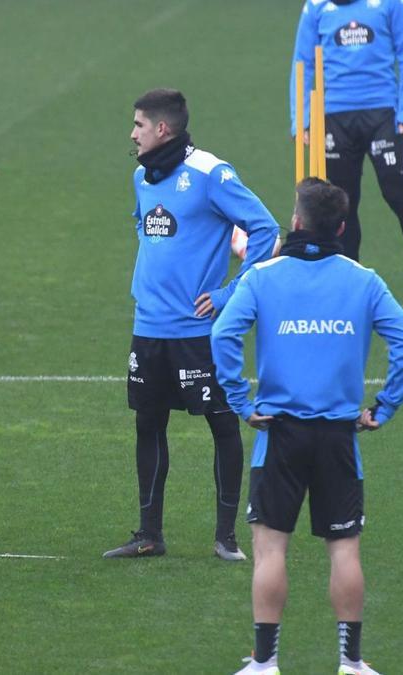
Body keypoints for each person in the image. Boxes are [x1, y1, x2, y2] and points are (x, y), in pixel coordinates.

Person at [212, 178, 403, 675]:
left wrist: (241, 401)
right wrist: (383, 407)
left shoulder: (262, 277)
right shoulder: (364, 280)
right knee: (344, 549)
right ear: (342, 228)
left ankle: (264, 663)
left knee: (269, 549)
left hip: (278, 434)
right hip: (340, 437)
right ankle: (351, 662)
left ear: (297, 221)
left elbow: (223, 334)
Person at [103, 89, 280, 561]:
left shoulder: (211, 173)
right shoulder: (142, 176)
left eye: (138, 124)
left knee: (222, 424)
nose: (132, 133)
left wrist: (229, 294)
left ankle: (226, 538)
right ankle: (148, 534)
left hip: (197, 333)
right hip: (149, 327)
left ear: (163, 128)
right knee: (148, 424)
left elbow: (265, 229)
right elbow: (145, 229)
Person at [291, 0, 403, 312]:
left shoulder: (390, 4)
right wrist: (301, 119)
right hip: (334, 117)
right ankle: (351, 287)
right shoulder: (316, 7)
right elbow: (302, 63)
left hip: (381, 114)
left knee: (397, 195)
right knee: (344, 205)